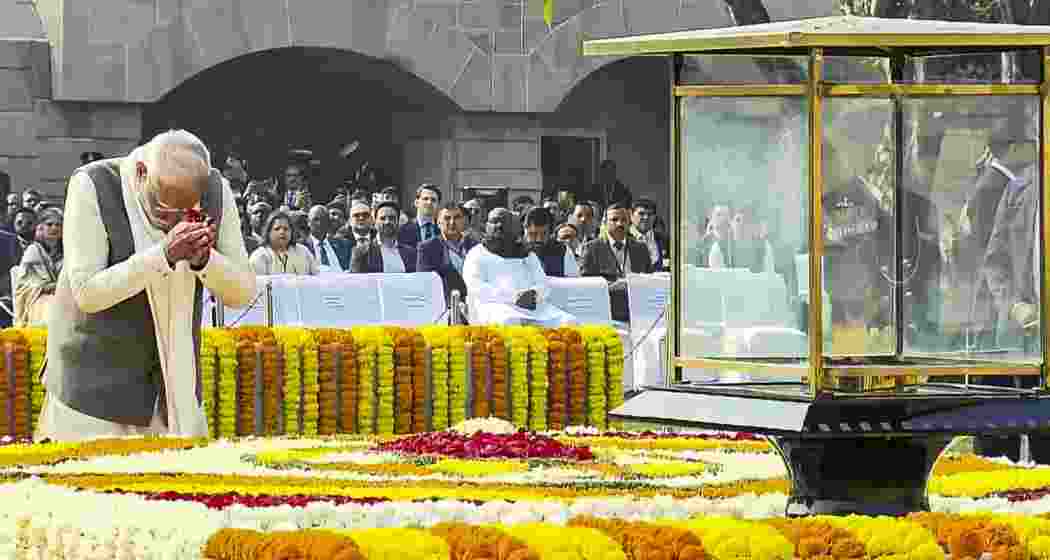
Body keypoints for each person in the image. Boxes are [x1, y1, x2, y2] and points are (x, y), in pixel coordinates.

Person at [38, 129, 256, 441]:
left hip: (175, 391)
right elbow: (86, 293)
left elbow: (244, 292)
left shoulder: (216, 189)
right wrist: (163, 256)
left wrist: (205, 261)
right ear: (141, 173)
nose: (173, 222)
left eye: (187, 212)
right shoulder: (94, 184)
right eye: (163, 210)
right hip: (92, 396)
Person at [462, 208, 576, 327]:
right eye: (494, 221)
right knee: (509, 322)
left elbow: (543, 283)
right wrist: (513, 297)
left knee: (568, 322)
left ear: (513, 227)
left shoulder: (526, 254)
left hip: (533, 307)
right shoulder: (477, 253)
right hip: (495, 306)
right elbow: (475, 285)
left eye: (505, 222)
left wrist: (534, 294)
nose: (499, 225)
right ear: (486, 226)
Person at [579, 202, 653, 322]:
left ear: (629, 222)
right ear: (604, 222)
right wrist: (614, 285)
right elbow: (586, 284)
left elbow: (650, 279)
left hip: (637, 314)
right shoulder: (592, 248)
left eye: (624, 220)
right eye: (614, 219)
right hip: (605, 314)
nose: (620, 224)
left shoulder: (641, 248)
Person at [417, 201, 478, 306]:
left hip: (475, 305)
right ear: (438, 223)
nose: (452, 222)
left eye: (457, 217)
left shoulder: (475, 246)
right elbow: (424, 283)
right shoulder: (427, 248)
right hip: (445, 306)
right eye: (447, 218)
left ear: (464, 221)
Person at [14, 207, 63, 326]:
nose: (54, 228)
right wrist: (51, 287)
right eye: (49, 224)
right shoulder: (33, 251)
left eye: (58, 225)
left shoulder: (67, 252)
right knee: (51, 306)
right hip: (37, 300)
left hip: (63, 297)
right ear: (41, 227)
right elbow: (24, 285)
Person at [351, 201, 417, 273]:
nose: (387, 222)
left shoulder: (411, 253)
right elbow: (356, 282)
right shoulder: (362, 252)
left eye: (391, 218)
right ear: (375, 222)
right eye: (382, 218)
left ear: (398, 222)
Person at [249, 211, 319, 275]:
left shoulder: (303, 251)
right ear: (268, 232)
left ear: (292, 232)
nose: (282, 232)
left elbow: (317, 277)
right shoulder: (260, 256)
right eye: (277, 229)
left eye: (286, 229)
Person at [522, 207, 578, 277]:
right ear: (525, 231)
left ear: (550, 233)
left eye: (544, 234)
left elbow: (573, 282)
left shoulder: (563, 251)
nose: (539, 239)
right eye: (533, 234)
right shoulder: (514, 253)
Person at [304, 204, 351, 273]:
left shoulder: (344, 245)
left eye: (324, 219)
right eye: (316, 219)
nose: (320, 223)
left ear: (328, 222)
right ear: (308, 222)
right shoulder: (301, 247)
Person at [631, 199, 665, 271]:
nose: (646, 217)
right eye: (641, 214)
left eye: (650, 214)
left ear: (655, 217)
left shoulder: (663, 239)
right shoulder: (622, 238)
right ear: (631, 215)